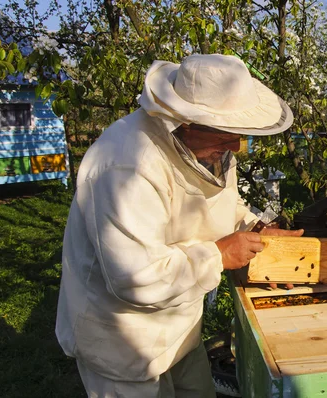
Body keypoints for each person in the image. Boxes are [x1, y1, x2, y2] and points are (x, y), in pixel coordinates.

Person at [55, 54, 302, 397]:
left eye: (239, 134)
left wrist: (252, 229)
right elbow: (135, 279)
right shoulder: (126, 164)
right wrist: (219, 256)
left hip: (180, 329)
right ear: (185, 121)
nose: (235, 146)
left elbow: (217, 203)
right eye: (226, 134)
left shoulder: (209, 147)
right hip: (122, 345)